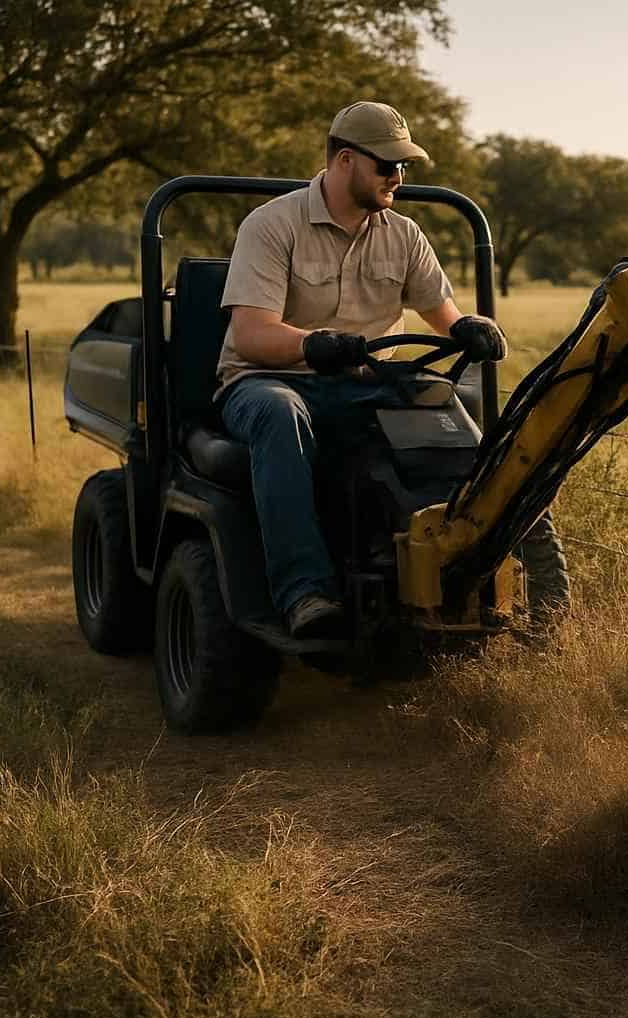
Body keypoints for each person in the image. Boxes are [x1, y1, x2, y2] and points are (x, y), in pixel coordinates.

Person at [214, 100, 507, 638]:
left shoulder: (404, 235)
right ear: (345, 160)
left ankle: (474, 572)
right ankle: (305, 591)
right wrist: (313, 346)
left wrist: (468, 328)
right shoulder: (272, 225)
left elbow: (443, 316)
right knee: (280, 415)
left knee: (454, 415)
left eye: (404, 167)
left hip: (365, 384)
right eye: (387, 165)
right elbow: (251, 335)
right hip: (270, 382)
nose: (398, 177)